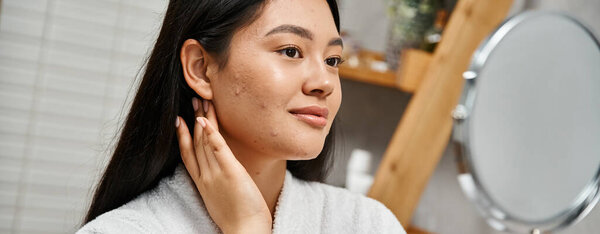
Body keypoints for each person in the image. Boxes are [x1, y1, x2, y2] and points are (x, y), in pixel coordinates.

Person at [78, 0, 405, 233]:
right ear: (201, 68)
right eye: (291, 51)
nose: (324, 83)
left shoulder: (367, 224)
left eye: (333, 60)